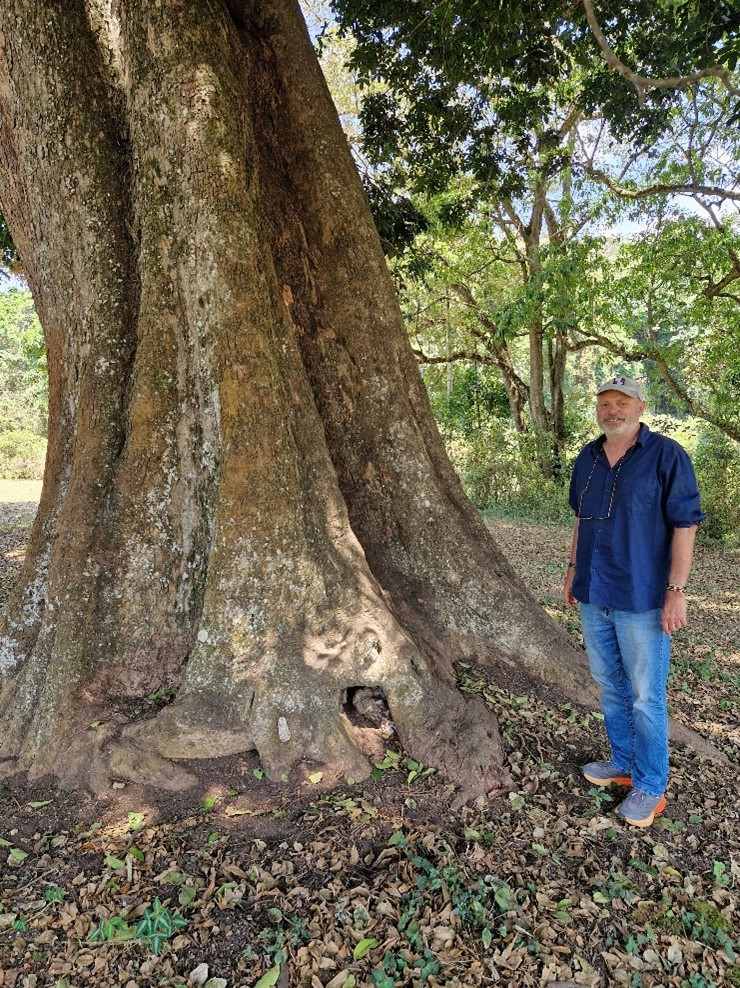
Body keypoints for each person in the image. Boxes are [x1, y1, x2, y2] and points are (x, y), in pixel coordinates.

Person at [563, 375, 705, 827]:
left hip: (643, 598)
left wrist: (676, 593)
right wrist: (571, 571)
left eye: (622, 402)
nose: (612, 410)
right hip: (593, 591)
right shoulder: (586, 458)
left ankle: (650, 786)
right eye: (605, 403)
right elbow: (582, 522)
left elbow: (686, 525)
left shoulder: (667, 456)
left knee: (646, 696)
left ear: (640, 407)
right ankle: (622, 763)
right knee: (609, 685)